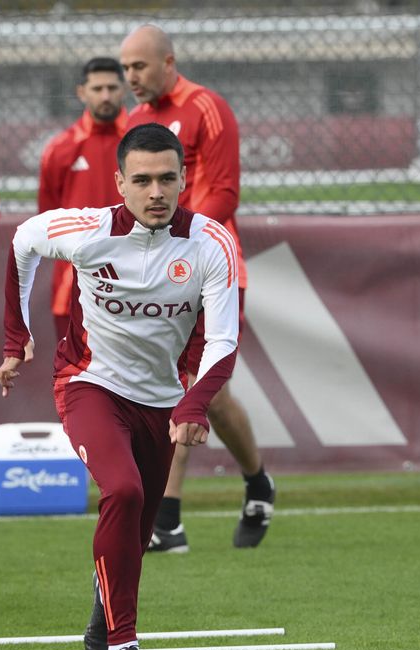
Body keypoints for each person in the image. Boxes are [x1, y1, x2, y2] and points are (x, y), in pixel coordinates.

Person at [0, 123, 239, 650]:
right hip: (89, 384)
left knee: (139, 526)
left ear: (185, 180)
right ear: (120, 183)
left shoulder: (211, 242)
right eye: (143, 180)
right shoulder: (86, 230)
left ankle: (103, 607)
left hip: (160, 400)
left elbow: (224, 341)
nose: (156, 191)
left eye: (167, 179)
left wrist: (195, 404)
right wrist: (16, 338)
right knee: (123, 492)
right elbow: (22, 243)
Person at [121, 24, 274, 552]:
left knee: (186, 384)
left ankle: (166, 519)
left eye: (139, 66)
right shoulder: (135, 120)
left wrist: (176, 243)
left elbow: (226, 192)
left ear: (169, 61)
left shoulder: (208, 107)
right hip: (157, 272)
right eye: (125, 69)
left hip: (211, 268)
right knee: (211, 394)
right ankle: (257, 482)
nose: (130, 78)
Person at [38, 57, 128, 340]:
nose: (105, 96)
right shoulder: (60, 149)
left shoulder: (141, 141)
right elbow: (48, 219)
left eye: (112, 88)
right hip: (73, 288)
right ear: (82, 92)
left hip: (135, 284)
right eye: (97, 88)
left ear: (123, 90)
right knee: (72, 377)